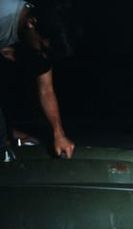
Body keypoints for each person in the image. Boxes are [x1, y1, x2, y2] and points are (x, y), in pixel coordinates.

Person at [0, 0, 75, 158]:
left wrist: (58, 134)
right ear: (31, 23)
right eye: (43, 48)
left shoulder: (39, 33)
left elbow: (46, 89)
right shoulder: (3, 15)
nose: (44, 55)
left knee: (30, 62)